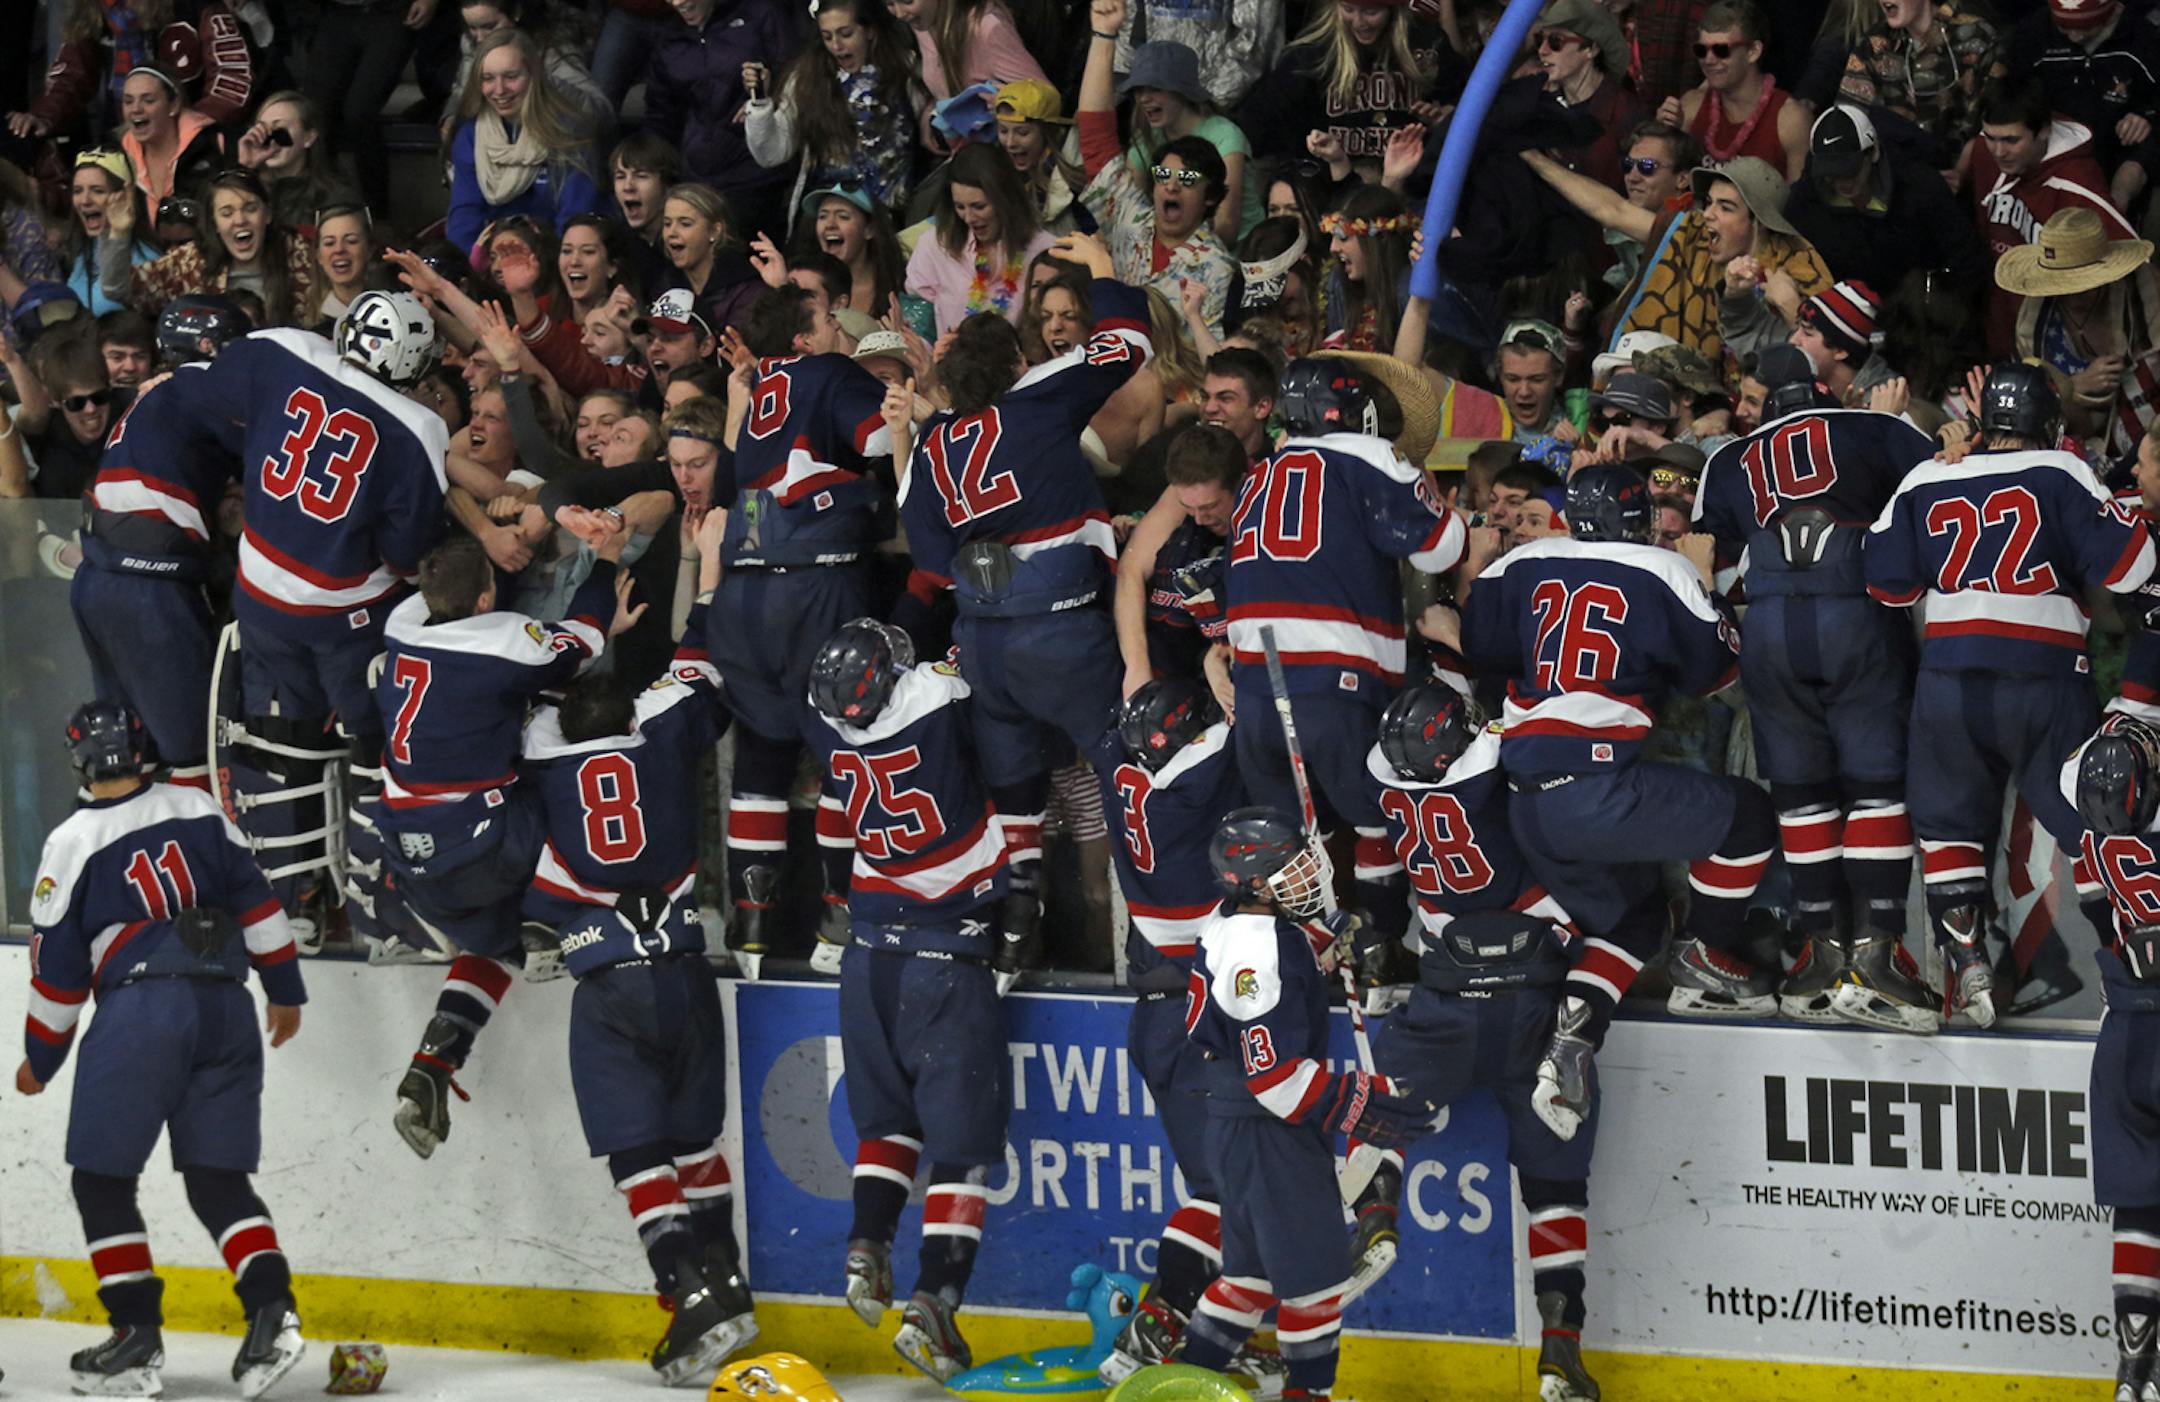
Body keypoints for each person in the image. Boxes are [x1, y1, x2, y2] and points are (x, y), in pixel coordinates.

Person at [17, 702, 307, 1400]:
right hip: (226, 1009)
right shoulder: (199, 807)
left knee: (101, 1181)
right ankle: (274, 1316)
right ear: (142, 748)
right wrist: (285, 990)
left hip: (143, 1014)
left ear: (80, 760)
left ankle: (135, 1339)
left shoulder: (70, 840)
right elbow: (260, 904)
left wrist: (41, 1058)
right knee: (217, 1179)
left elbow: (58, 973)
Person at [522, 536, 756, 1385]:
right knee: (695, 1142)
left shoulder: (542, 761)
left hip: (611, 986)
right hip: (689, 974)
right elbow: (697, 661)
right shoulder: (654, 736)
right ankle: (729, 1282)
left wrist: (587, 624)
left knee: (637, 1154)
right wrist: (705, 561)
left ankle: (687, 1292)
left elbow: (523, 692)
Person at [1865, 362, 2156, 1026]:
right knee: (2093, 824)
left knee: (1946, 824)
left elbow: (1888, 586)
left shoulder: (1926, 476)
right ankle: (2124, 966)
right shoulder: (2059, 470)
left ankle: (1967, 961)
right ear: (2045, 422)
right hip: (2044, 676)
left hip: (1947, 681)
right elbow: (2133, 566)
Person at [897, 232, 1151, 989]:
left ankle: (1017, 913)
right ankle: (1145, 930)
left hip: (984, 643)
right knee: (1122, 766)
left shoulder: (935, 442)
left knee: (1014, 788)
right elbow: (1129, 346)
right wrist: (1104, 275)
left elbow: (930, 560)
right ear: (1015, 364)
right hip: (1063, 630)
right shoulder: (1039, 395)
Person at [1349, 683, 1606, 1402]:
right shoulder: (1495, 763)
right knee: (1557, 1187)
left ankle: (1375, 1210)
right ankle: (1560, 1350)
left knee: (1378, 1104)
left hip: (1447, 998)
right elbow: (1522, 727)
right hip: (1537, 1002)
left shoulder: (1386, 781)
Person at [1461, 463, 1777, 1026]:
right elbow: (1719, 675)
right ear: (1640, 519)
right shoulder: (1662, 566)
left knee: (1637, 919)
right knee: (1748, 817)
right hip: (1597, 792)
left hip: (1523, 797)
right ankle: (1706, 956)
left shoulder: (1518, 563)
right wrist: (1705, 584)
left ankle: (1574, 1041)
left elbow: (1483, 652)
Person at [193, 290, 449, 954]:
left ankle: (290, 906)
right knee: (375, 757)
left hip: (261, 601)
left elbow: (215, 402)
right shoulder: (419, 428)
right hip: (347, 624)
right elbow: (407, 553)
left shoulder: (282, 347)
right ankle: (377, 906)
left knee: (279, 750)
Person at [1692, 345, 1936, 1030]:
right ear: (1822, 388)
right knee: (1878, 788)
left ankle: (1822, 961)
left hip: (1769, 625)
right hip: (1857, 611)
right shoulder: (1873, 427)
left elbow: (1714, 569)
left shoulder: (1726, 459)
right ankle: (1878, 957)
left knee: (1802, 800)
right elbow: (1941, 497)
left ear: (1761, 400)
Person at [377, 526, 640, 1156]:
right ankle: (553, 917)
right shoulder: (497, 640)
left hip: (414, 866)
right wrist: (604, 562)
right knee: (562, 760)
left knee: (492, 950)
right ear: (485, 600)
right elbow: (583, 640)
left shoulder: (404, 624)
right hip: (482, 846)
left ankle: (434, 1064)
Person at [803, 620, 1013, 1384]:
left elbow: (832, 817)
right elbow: (972, 681)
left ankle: (866, 1246)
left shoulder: (828, 721)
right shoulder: (931, 698)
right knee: (959, 1148)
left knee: (889, 1125)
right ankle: (934, 1302)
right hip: (944, 959)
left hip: (867, 960)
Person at [1178, 807, 1433, 1402]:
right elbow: (1275, 1078)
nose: (1310, 874)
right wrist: (1356, 1104)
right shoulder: (1261, 950)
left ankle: (1182, 1386)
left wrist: (1321, 946)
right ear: (1257, 884)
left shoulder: (1234, 924)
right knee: (1316, 1289)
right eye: (1291, 868)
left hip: (1237, 1126)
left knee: (1248, 1277)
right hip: (1272, 1132)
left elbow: (1261, 997)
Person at [1224, 352, 1464, 919]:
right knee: (1373, 821)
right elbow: (1443, 547)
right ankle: (1377, 949)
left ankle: (1314, 955)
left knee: (1291, 841)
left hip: (1256, 688)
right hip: (1332, 681)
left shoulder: (1260, 471)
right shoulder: (1371, 454)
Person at [707, 284, 891, 975]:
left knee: (762, 749)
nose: (844, 334)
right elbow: (879, 438)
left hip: (741, 595)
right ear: (808, 338)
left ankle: (751, 927)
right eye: (832, 324)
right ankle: (837, 917)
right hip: (813, 585)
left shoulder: (760, 385)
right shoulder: (830, 373)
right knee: (849, 745)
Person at [1091, 680, 1248, 1385]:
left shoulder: (1113, 762)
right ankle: (1164, 1320)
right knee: (1227, 1189)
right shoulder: (1201, 776)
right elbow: (1247, 733)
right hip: (1201, 1014)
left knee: (1212, 1190)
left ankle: (1193, 1327)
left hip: (1154, 1013)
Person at [72, 295, 252, 792]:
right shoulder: (200, 386)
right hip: (146, 587)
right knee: (198, 761)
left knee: (125, 764)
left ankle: (107, 867)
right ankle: (197, 869)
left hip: (97, 580)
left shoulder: (156, 396)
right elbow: (274, 448)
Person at [2062, 715, 2160, 1402]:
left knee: (2139, 1202)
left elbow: (2100, 916)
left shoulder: (2088, 825)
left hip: (2126, 1028)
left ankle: (2134, 1369)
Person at [1530, 152, 1832, 371]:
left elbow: (1831, 363)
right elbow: (1613, 210)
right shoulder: (1693, 235)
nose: (1709, 214)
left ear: (1760, 223)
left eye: (1725, 208)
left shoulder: (1797, 268)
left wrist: (1791, 307)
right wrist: (1536, 160)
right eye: (1709, 202)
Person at [1969, 78, 2134, 358]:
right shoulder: (1983, 154)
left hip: (2058, 354)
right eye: (1990, 138)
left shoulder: (2080, 188)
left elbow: (2129, 264)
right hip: (1999, 337)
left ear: (2044, 131)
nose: (1998, 151)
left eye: (2011, 140)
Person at [1782, 104, 1990, 308]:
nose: (1842, 182)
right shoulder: (1806, 200)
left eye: (1850, 170)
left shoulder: (1920, 187)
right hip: (1844, 315)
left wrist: (1934, 308)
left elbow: (1966, 260)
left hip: (1917, 315)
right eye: (1832, 174)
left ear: (1872, 153)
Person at [1998, 206, 2160, 463]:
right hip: (2072, 446)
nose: (2075, 296)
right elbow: (2024, 405)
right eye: (2063, 286)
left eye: (2085, 285)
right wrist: (2073, 386)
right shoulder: (2034, 321)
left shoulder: (2144, 294)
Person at [745, 0, 922, 220]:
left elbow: (929, 130)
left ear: (870, 31)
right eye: (827, 37)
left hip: (896, 217)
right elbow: (771, 153)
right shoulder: (805, 78)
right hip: (829, 214)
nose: (836, 46)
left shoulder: (904, 68)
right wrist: (760, 103)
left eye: (846, 34)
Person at [644, 0, 807, 237]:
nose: (678, 2)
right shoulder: (669, 38)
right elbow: (661, 115)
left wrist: (769, 93)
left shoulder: (760, 13)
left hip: (758, 177)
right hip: (697, 180)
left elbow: (797, 76)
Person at [443, 30, 604, 253]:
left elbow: (575, 217)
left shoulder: (569, 130)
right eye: (488, 79)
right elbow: (464, 218)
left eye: (510, 77)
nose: (499, 90)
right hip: (494, 262)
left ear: (533, 75)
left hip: (556, 260)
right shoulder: (471, 136)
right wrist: (469, 271)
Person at [1117, 423, 1248, 693]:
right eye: (1188, 507)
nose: (1200, 518)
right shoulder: (1187, 493)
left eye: (1210, 507)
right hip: (1177, 651)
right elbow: (1131, 571)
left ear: (1243, 483)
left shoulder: (1267, 495)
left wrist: (1221, 652)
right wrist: (1137, 670)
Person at [125, 167, 317, 329]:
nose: (240, 220)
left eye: (250, 208)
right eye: (227, 213)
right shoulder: (191, 262)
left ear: (267, 215)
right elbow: (124, 289)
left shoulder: (298, 253)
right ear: (214, 223)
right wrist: (117, 235)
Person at [907, 142, 1056, 335]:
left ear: (1006, 200)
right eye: (960, 207)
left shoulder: (1046, 250)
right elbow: (920, 323)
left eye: (979, 206)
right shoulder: (934, 245)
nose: (968, 218)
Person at [1837, 0, 2003, 167]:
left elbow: (1999, 116)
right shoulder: (1874, 45)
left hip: (1967, 178)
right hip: (1897, 181)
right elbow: (1847, 118)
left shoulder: (1976, 36)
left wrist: (1964, 168)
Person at [1658, 0, 1807, 178]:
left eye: (1721, 50)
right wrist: (1666, 134)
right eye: (1701, 50)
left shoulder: (1791, 120)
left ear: (1753, 51)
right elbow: (1664, 188)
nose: (1708, 60)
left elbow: (1801, 202)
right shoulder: (1689, 107)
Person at [1534, 0, 1645, 195]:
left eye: (1555, 41)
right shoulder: (1540, 108)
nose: (1542, 50)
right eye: (1539, 40)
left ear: (1591, 49)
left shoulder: (1627, 114)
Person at [233, 91, 361, 234]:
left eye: (280, 129)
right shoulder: (252, 189)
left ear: (309, 137)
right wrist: (246, 166)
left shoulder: (335, 197)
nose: (271, 140)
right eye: (263, 129)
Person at [1787, 280, 1886, 405]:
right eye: (1798, 328)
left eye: (1807, 333)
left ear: (1840, 350)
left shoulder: (1882, 406)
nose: (1793, 340)